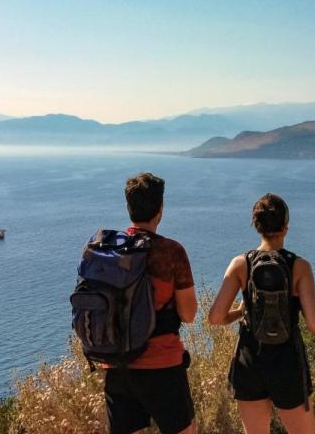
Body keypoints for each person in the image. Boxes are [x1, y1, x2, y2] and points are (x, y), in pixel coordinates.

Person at [208, 193, 315, 434]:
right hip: (287, 363)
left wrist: (240, 312)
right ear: (286, 227)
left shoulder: (241, 264)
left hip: (250, 361)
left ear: (257, 226)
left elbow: (215, 318)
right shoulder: (299, 267)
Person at [103, 172, 198, 434]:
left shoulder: (108, 249)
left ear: (128, 207)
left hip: (116, 363)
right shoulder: (171, 251)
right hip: (161, 363)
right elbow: (188, 314)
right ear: (160, 210)